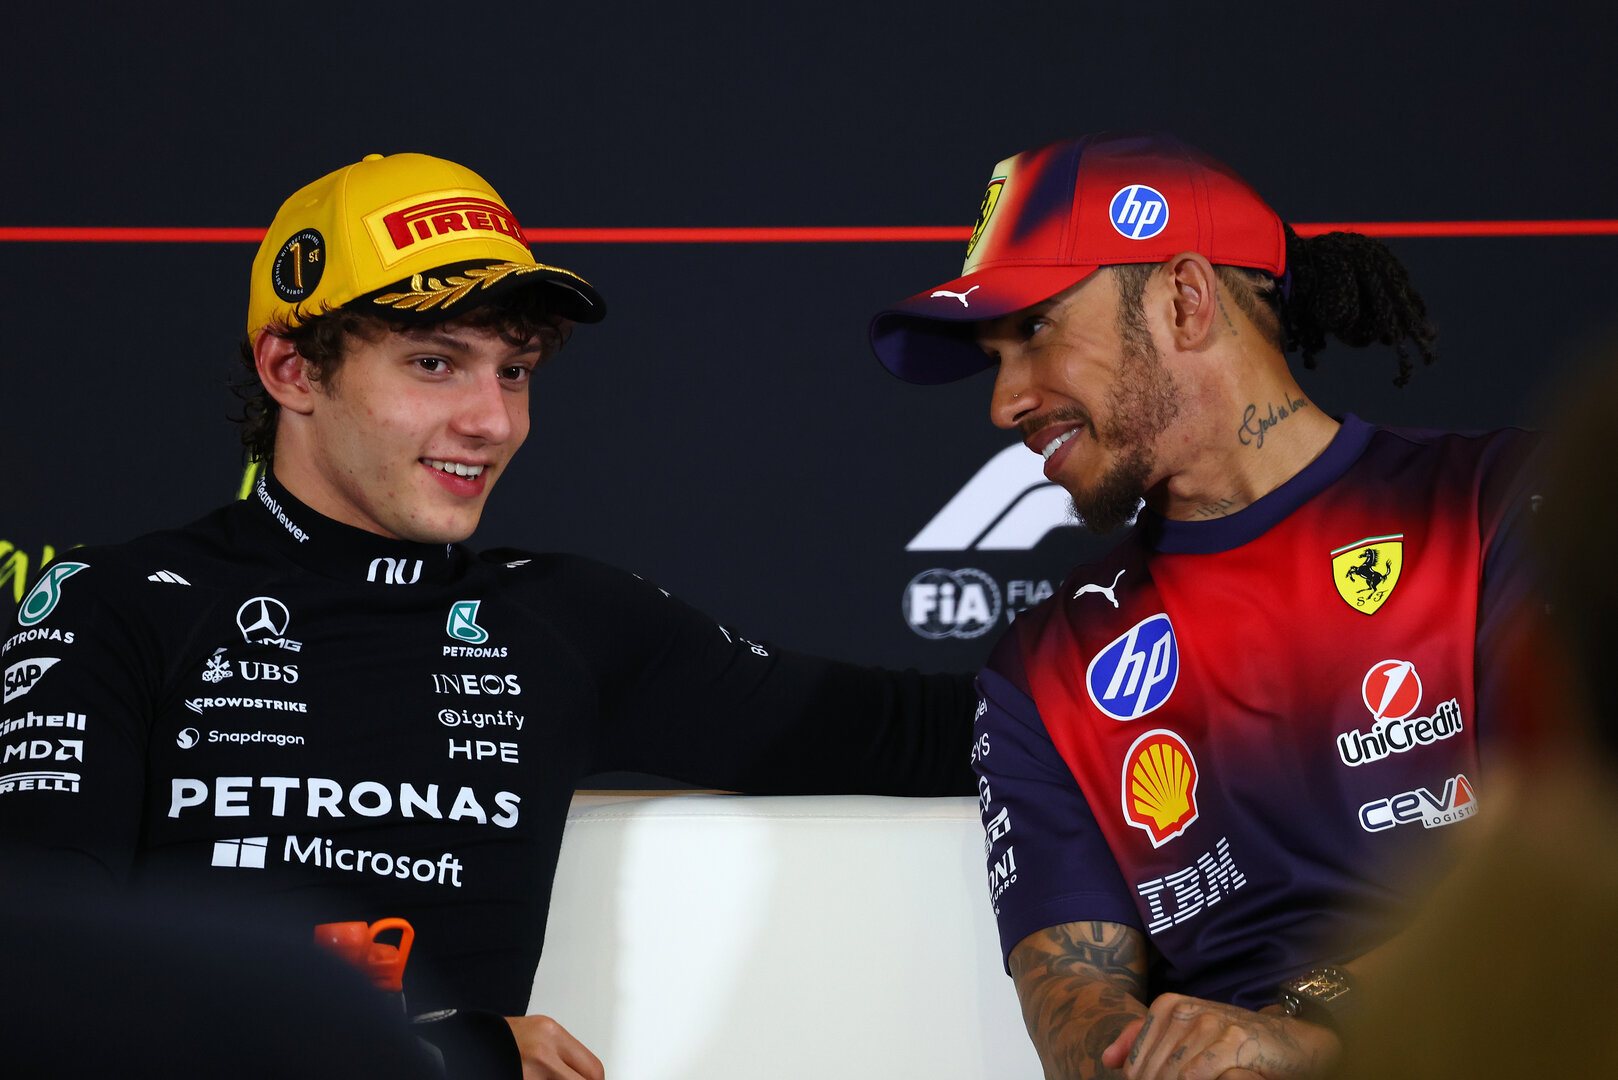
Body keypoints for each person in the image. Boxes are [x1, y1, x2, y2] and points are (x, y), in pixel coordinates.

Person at [0, 152, 975, 1080]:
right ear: (292, 370)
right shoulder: (113, 608)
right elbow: (40, 991)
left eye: (514, 371)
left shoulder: (565, 621)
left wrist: (1130, 619)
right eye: (435, 364)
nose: (494, 421)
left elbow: (926, 732)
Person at [868, 132, 1539, 1079]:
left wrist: (1310, 1028)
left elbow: (1580, 864)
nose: (1004, 401)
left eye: (1035, 331)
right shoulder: (1045, 665)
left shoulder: (1499, 505)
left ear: (1184, 301)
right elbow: (1076, 1005)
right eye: (994, 358)